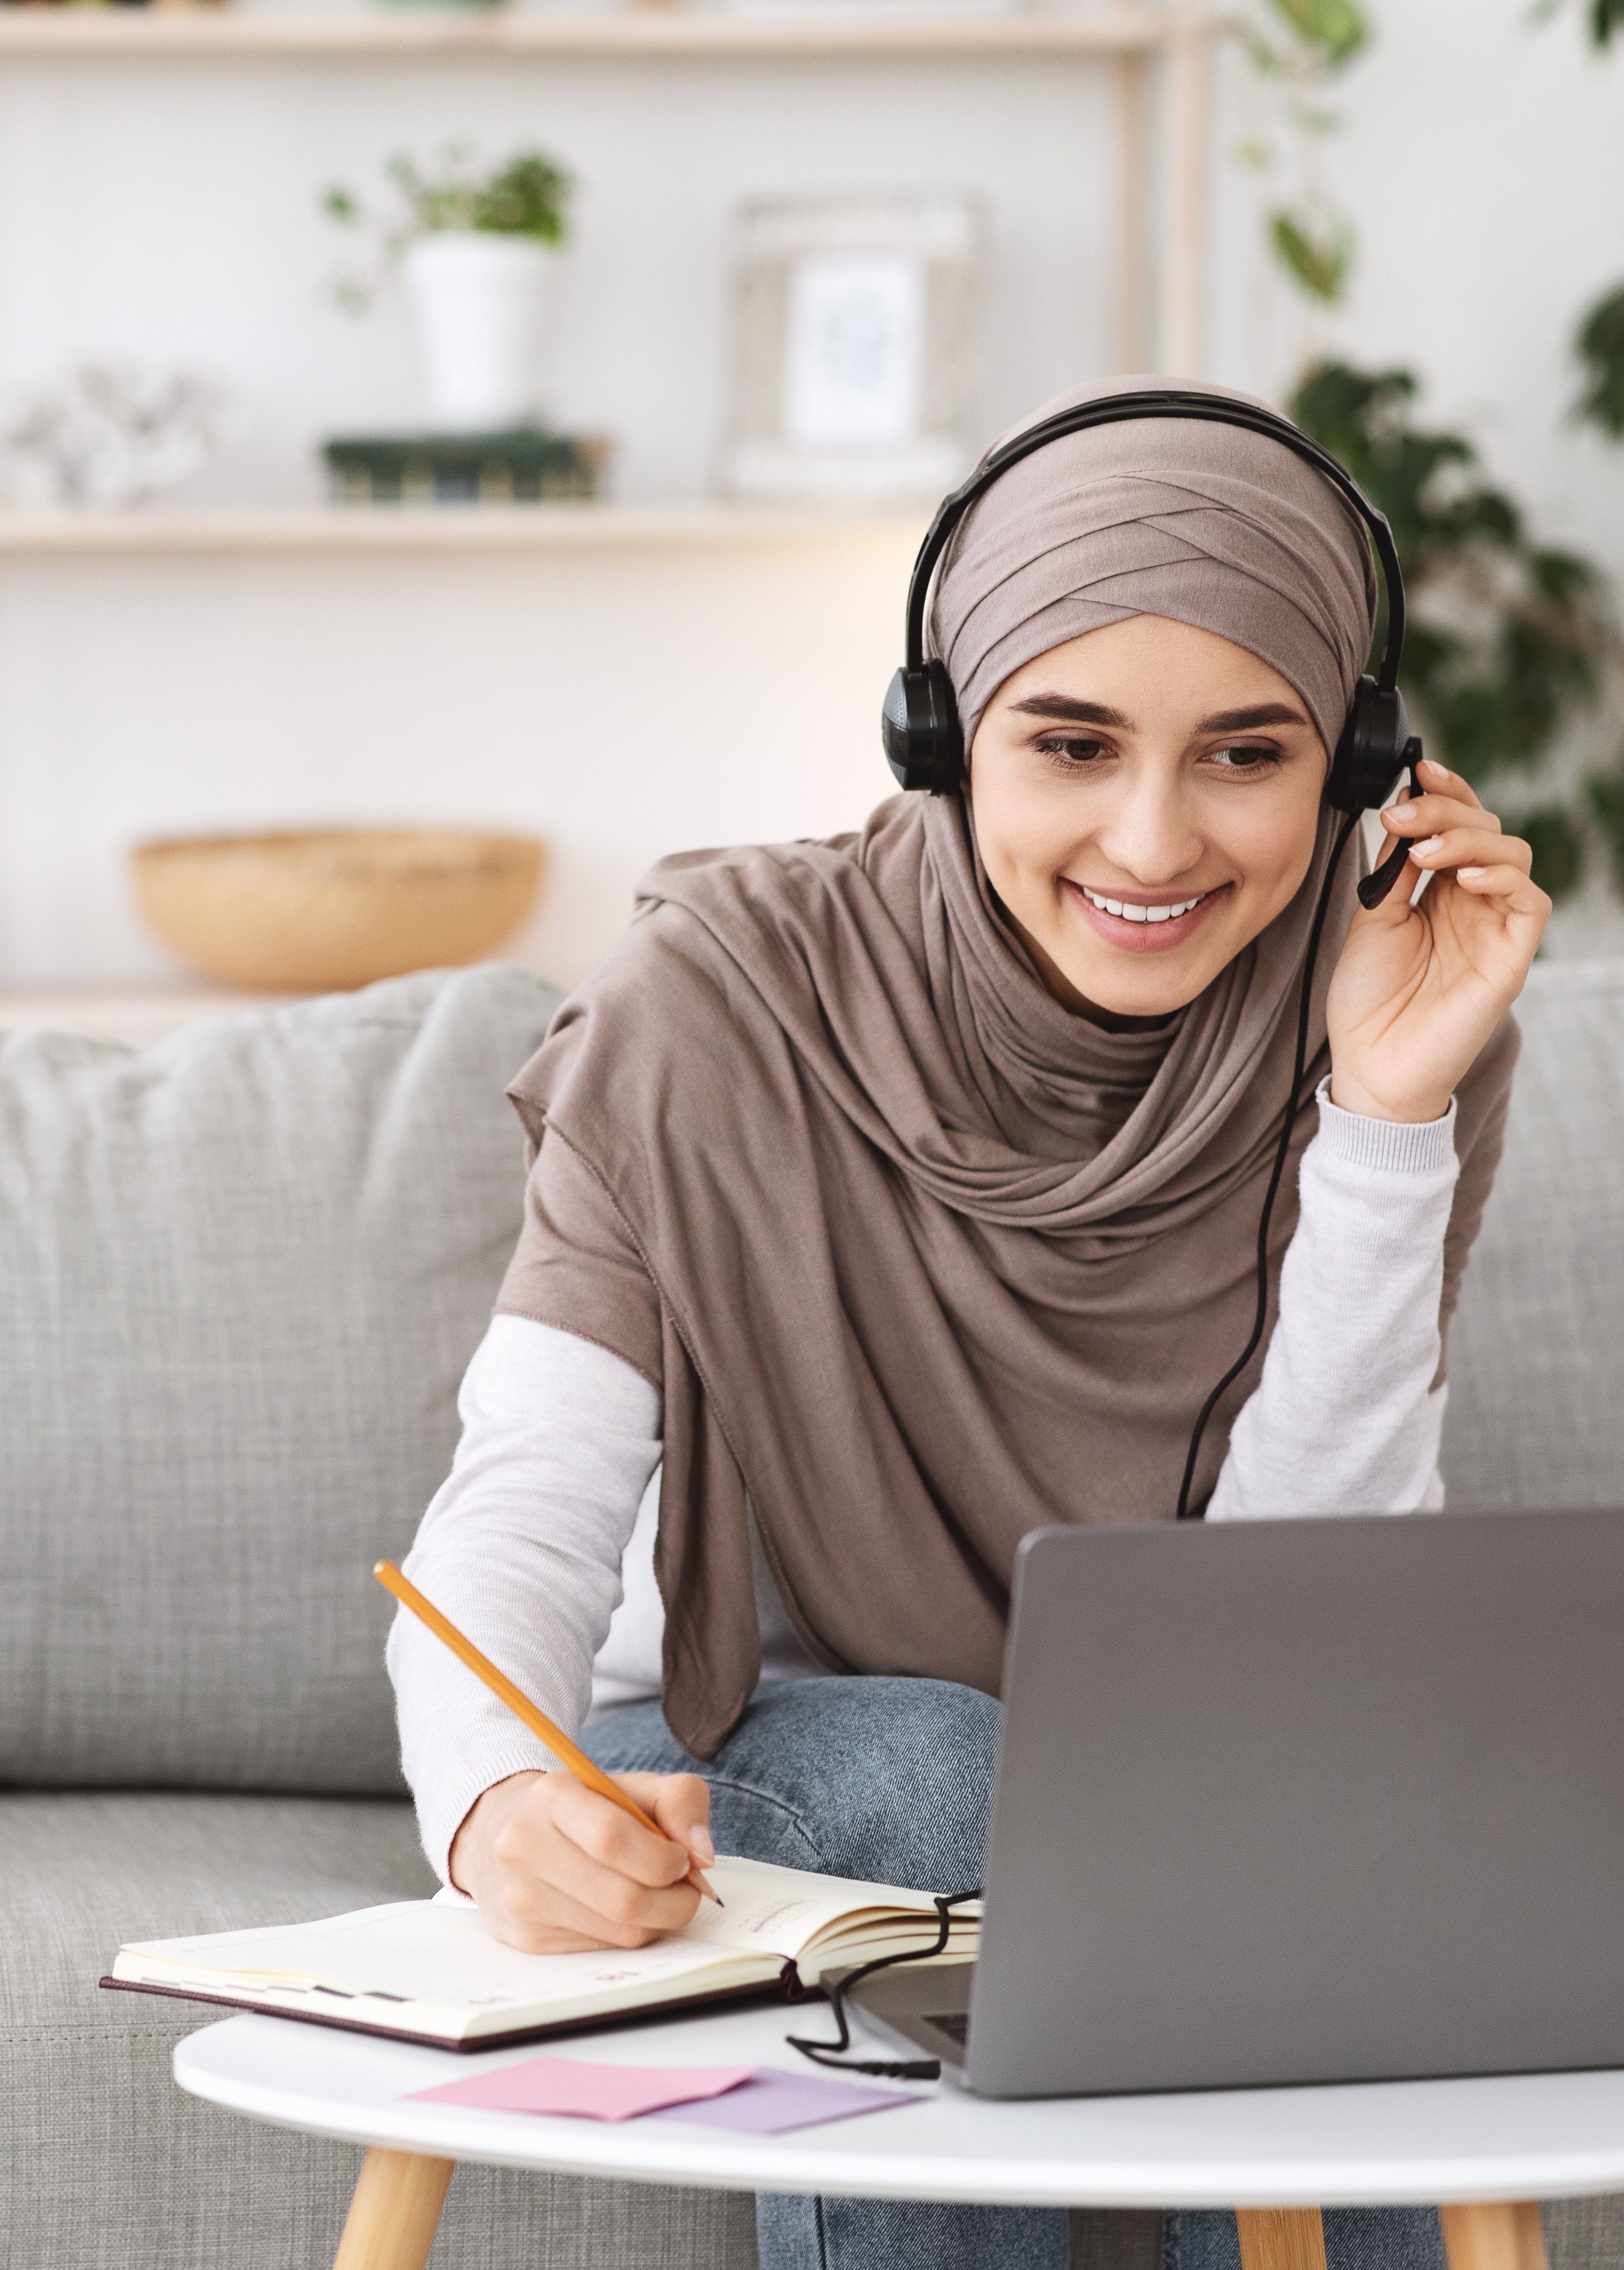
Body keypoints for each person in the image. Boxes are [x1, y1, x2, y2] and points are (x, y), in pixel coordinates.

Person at [386, 382, 1549, 2270]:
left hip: (1164, 1754)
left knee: (1357, 1845)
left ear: (1350, 766)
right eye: (1070, 743)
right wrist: (494, 1797)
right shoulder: (713, 1002)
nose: (1154, 841)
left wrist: (1388, 1109)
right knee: (939, 1761)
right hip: (748, 1726)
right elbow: (525, 1491)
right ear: (941, 733)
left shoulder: (1377, 1015)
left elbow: (1285, 1638)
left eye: (1244, 755)